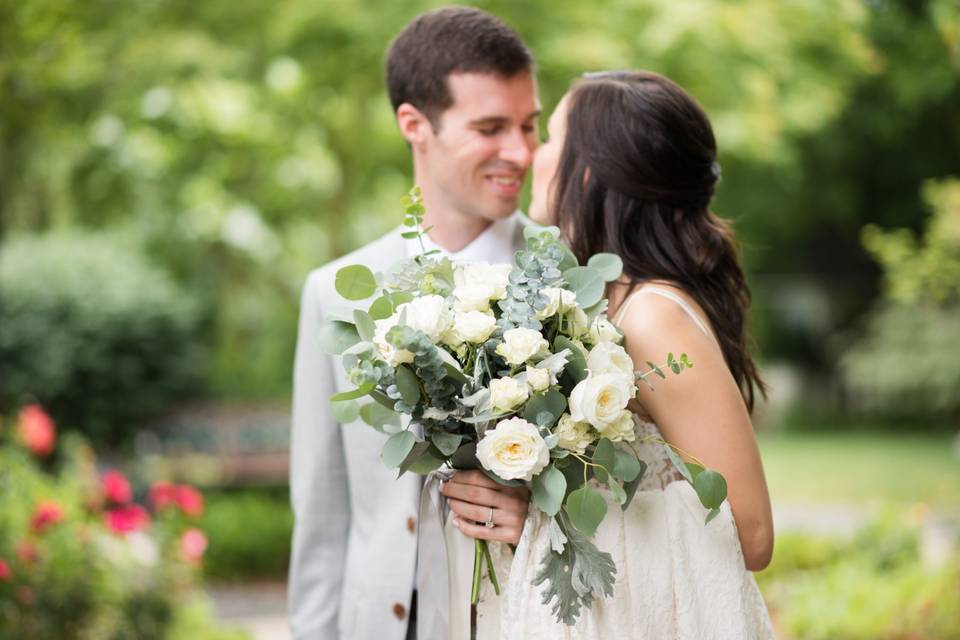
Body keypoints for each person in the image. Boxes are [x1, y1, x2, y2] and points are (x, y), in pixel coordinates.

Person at [483, 70, 777, 638]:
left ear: (587, 173)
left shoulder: (652, 316)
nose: (533, 156)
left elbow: (754, 534)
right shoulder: (597, 309)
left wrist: (563, 515)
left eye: (551, 139)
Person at [288, 7, 540, 640]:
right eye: (490, 127)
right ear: (414, 125)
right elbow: (322, 516)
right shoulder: (336, 296)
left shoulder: (571, 283)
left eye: (528, 126)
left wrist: (538, 513)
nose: (519, 151)